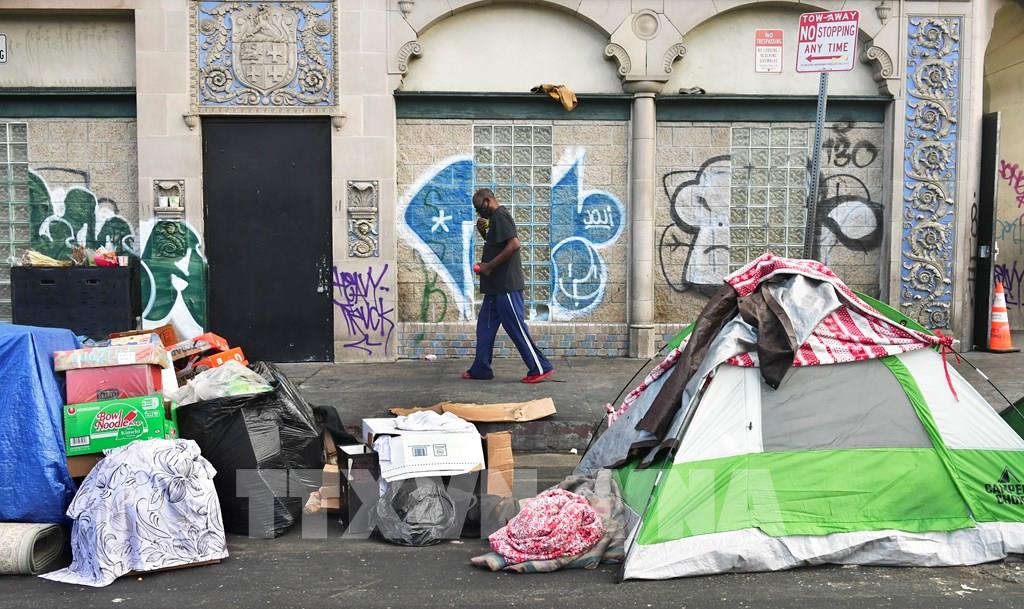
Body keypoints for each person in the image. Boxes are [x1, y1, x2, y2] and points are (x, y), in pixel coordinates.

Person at [463, 188, 554, 383]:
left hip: (506, 286)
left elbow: (513, 244)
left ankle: (540, 367)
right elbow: (497, 245)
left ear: (487, 201)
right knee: (485, 328)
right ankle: (481, 369)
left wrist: (488, 266)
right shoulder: (494, 219)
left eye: (479, 207)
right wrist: (483, 232)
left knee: (515, 327)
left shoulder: (501, 215)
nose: (478, 212)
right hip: (494, 288)